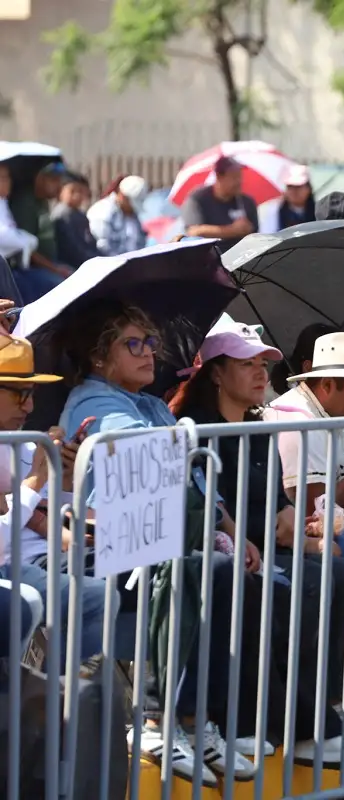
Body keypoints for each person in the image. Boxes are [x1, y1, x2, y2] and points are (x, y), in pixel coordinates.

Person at [56, 301, 266, 783]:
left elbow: (192, 479)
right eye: (133, 343)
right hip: (107, 550)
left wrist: (232, 530)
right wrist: (187, 443)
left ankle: (196, 722)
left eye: (151, 342)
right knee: (206, 569)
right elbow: (146, 457)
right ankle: (157, 720)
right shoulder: (93, 400)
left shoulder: (148, 402)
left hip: (159, 541)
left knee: (229, 570)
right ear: (98, 355)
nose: (149, 353)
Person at [168, 319, 344, 762]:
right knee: (297, 588)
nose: (262, 372)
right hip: (227, 554)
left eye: (264, 362)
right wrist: (282, 534)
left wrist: (305, 532)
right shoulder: (195, 429)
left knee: (336, 571)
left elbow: (282, 508)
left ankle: (329, 708)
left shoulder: (259, 429)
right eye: (248, 364)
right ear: (217, 373)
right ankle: (292, 723)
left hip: (266, 547)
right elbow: (218, 508)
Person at [0, 333, 107, 665]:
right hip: (17, 566)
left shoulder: (24, 443)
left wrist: (67, 475)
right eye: (20, 394)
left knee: (160, 566)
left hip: (45, 557)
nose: (30, 407)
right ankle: (53, 696)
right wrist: (34, 481)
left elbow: (58, 508)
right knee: (96, 596)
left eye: (32, 394)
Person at [266, 332, 344, 561]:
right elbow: (317, 518)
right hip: (298, 550)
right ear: (327, 384)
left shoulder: (329, 414)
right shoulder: (300, 424)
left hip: (327, 539)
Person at [8, 161, 71, 300]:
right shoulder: (25, 204)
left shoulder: (43, 201)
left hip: (50, 265)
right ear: (39, 178)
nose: (59, 185)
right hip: (29, 270)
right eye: (53, 180)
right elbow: (29, 251)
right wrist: (55, 269)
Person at [180, 156, 258, 252]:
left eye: (240, 176)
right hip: (209, 257)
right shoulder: (198, 199)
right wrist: (233, 230)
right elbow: (193, 231)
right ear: (219, 177)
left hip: (241, 257)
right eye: (234, 177)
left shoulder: (246, 202)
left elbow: (256, 234)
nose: (239, 181)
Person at [88, 175, 148, 256]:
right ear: (123, 196)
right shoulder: (102, 212)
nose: (133, 209)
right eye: (131, 203)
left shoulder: (132, 215)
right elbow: (102, 247)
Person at [0, 162, 39, 272]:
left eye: (8, 177)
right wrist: (25, 240)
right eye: (2, 178)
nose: (8, 182)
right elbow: (3, 235)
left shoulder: (3, 202)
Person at [276, 165, 316, 231]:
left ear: (308, 188)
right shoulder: (275, 213)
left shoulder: (318, 212)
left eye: (298, 186)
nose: (294, 191)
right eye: (290, 187)